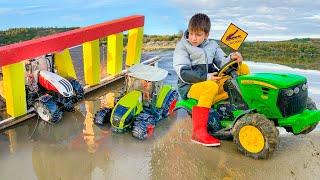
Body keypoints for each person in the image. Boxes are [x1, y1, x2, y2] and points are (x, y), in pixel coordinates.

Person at [173, 13, 250, 147]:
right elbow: (183, 73)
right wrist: (207, 77)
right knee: (211, 86)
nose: (193, 38)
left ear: (206, 35)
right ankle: (198, 133)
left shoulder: (212, 45)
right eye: (191, 33)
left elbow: (223, 62)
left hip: (210, 80)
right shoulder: (182, 47)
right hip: (189, 86)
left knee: (243, 68)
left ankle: (246, 107)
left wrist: (233, 57)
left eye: (198, 35)